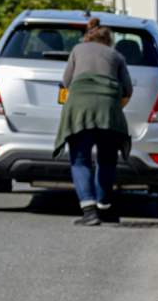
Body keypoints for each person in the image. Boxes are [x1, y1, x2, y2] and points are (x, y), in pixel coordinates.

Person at [55, 18, 132, 227]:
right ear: (108, 41)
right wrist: (113, 109)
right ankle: (104, 208)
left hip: (79, 109)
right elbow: (127, 90)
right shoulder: (117, 56)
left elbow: (66, 82)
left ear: (88, 37)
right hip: (108, 111)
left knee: (80, 160)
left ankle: (89, 212)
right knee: (107, 160)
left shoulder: (77, 50)